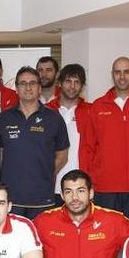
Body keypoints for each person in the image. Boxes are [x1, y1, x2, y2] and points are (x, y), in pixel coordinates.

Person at [82, 56, 129, 225]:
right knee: (107, 240)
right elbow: (88, 148)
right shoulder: (98, 106)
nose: (122, 76)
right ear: (112, 75)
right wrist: (91, 183)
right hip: (106, 189)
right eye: (118, 72)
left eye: (126, 72)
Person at [0, 66, 69, 219]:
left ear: (39, 88)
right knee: (12, 241)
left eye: (32, 83)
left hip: (42, 197)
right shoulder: (4, 118)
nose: (28, 87)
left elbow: (62, 156)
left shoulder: (54, 118)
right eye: (23, 83)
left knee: (41, 241)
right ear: (16, 88)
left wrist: (43, 172)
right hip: (11, 197)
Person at [45, 64, 90, 204]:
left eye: (77, 82)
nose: (72, 86)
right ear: (59, 83)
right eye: (68, 81)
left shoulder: (91, 111)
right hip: (50, 185)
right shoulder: (46, 111)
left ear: (82, 86)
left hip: (80, 186)